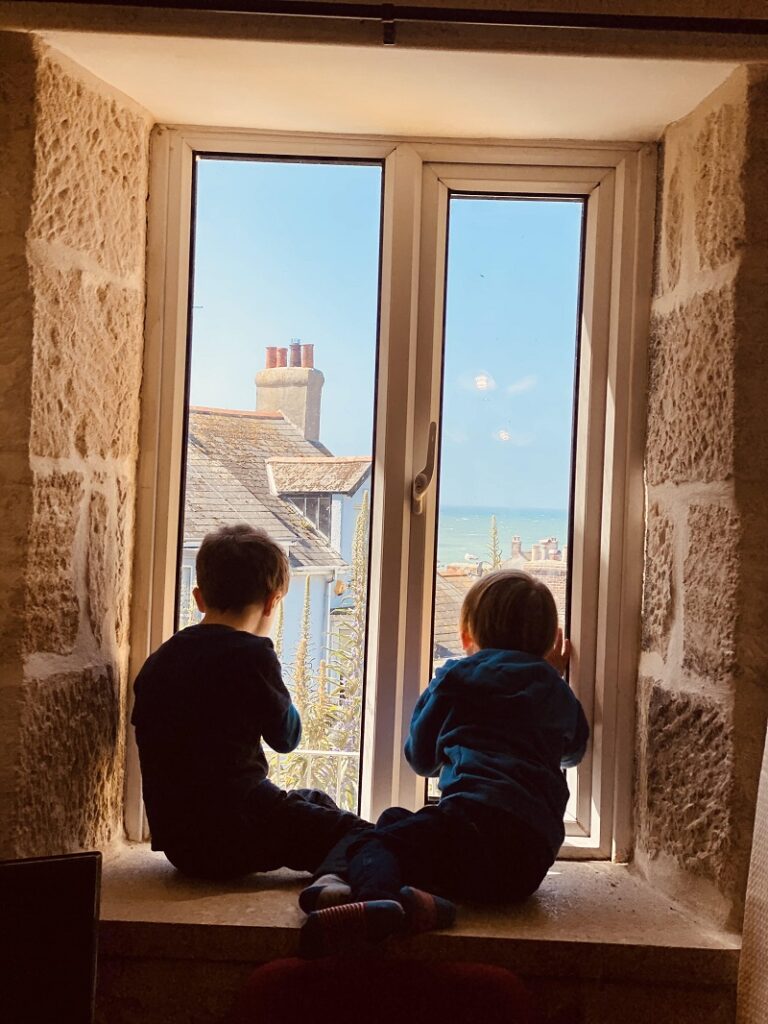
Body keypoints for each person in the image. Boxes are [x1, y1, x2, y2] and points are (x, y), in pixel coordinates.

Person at [299, 569, 589, 956]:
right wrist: (550, 680)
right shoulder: (555, 688)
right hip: (528, 863)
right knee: (396, 821)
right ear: (548, 641)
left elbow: (420, 758)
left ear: (468, 635)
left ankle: (375, 900)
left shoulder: (456, 677)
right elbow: (574, 752)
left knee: (374, 838)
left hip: (471, 828)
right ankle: (425, 905)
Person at [131, 523, 370, 880]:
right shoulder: (252, 655)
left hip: (183, 844)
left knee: (314, 802)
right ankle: (340, 883)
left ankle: (333, 870)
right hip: (236, 830)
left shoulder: (161, 659)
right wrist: (276, 686)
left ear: (199, 598)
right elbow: (286, 738)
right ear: (273, 602)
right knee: (358, 833)